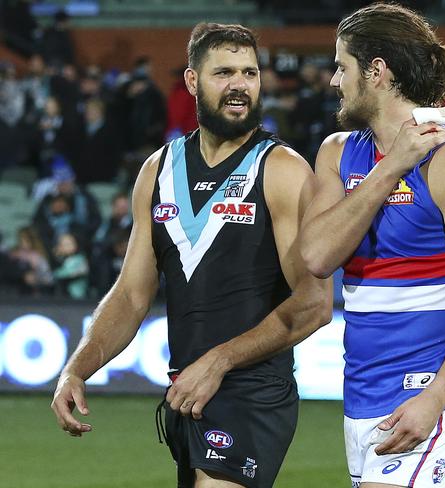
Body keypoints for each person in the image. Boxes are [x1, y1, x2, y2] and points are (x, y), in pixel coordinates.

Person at [50, 23, 332, 488]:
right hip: (187, 392)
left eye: (250, 72)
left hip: (252, 390)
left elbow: (314, 304)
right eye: (224, 72)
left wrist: (218, 362)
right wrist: (76, 369)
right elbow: (130, 294)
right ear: (192, 82)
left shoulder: (282, 170)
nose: (240, 84)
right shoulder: (158, 169)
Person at [299, 4, 445, 487]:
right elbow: (316, 256)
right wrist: (390, 167)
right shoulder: (338, 152)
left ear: (377, 72)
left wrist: (437, 396)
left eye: (343, 66)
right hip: (359, 396)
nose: (335, 81)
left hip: (425, 397)